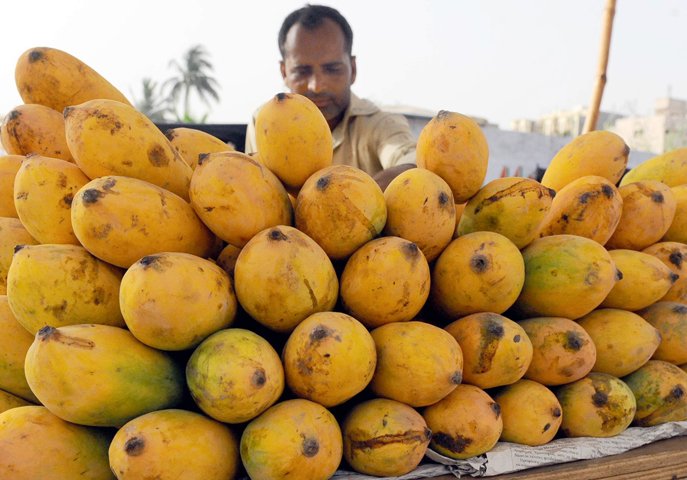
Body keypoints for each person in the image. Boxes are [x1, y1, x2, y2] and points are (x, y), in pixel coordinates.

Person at [244, 4, 416, 189]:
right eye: (302, 71)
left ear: (353, 70)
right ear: (284, 72)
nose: (316, 86)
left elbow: (411, 160)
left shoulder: (381, 124)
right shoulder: (264, 121)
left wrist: (357, 196)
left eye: (332, 69)